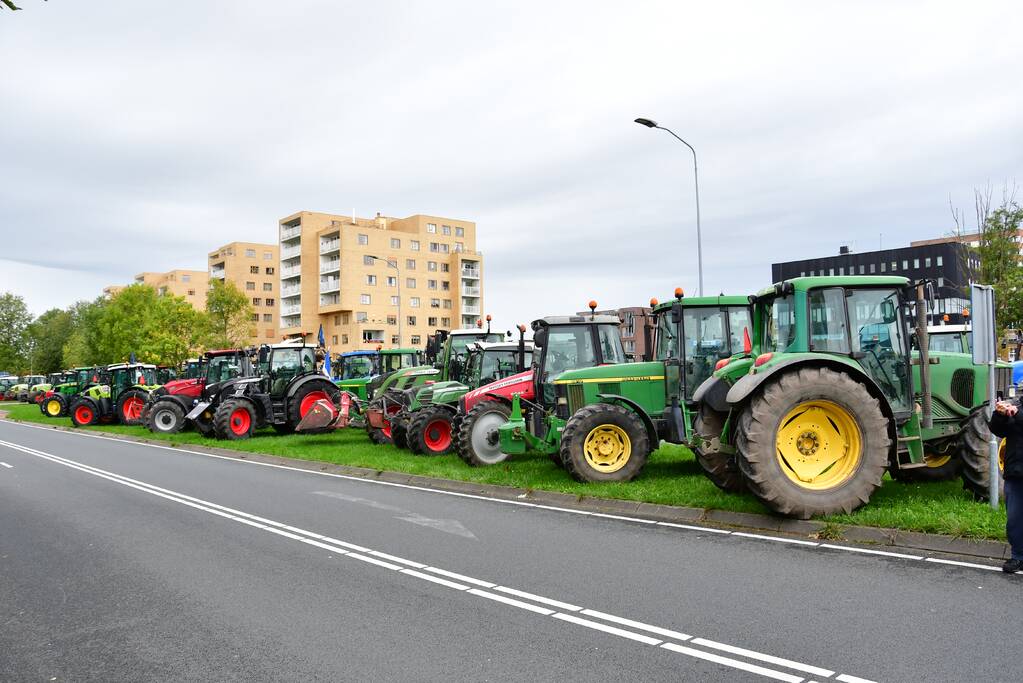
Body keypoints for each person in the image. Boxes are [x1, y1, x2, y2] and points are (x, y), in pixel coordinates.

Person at [989, 399, 1023, 573]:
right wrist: (999, 415)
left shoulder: (1017, 410)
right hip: (1016, 472)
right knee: (1015, 520)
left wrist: (1016, 413)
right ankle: (1018, 557)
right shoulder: (1017, 405)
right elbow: (997, 430)